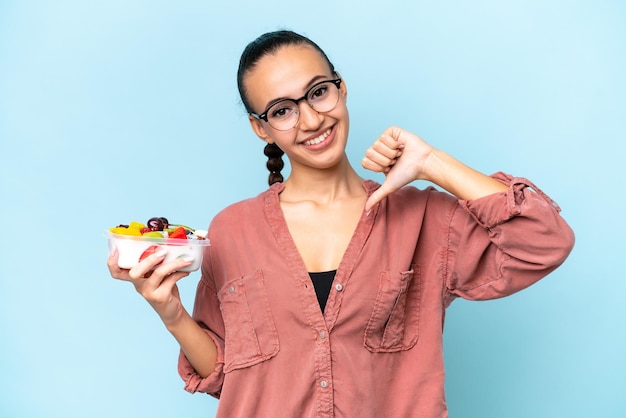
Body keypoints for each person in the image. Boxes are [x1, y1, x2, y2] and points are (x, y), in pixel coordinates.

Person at [107, 30, 575, 418]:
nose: (311, 119)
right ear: (261, 128)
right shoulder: (233, 230)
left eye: (318, 92)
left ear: (341, 88)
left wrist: (433, 162)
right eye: (282, 110)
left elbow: (544, 240)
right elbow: (225, 375)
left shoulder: (423, 219)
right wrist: (170, 312)